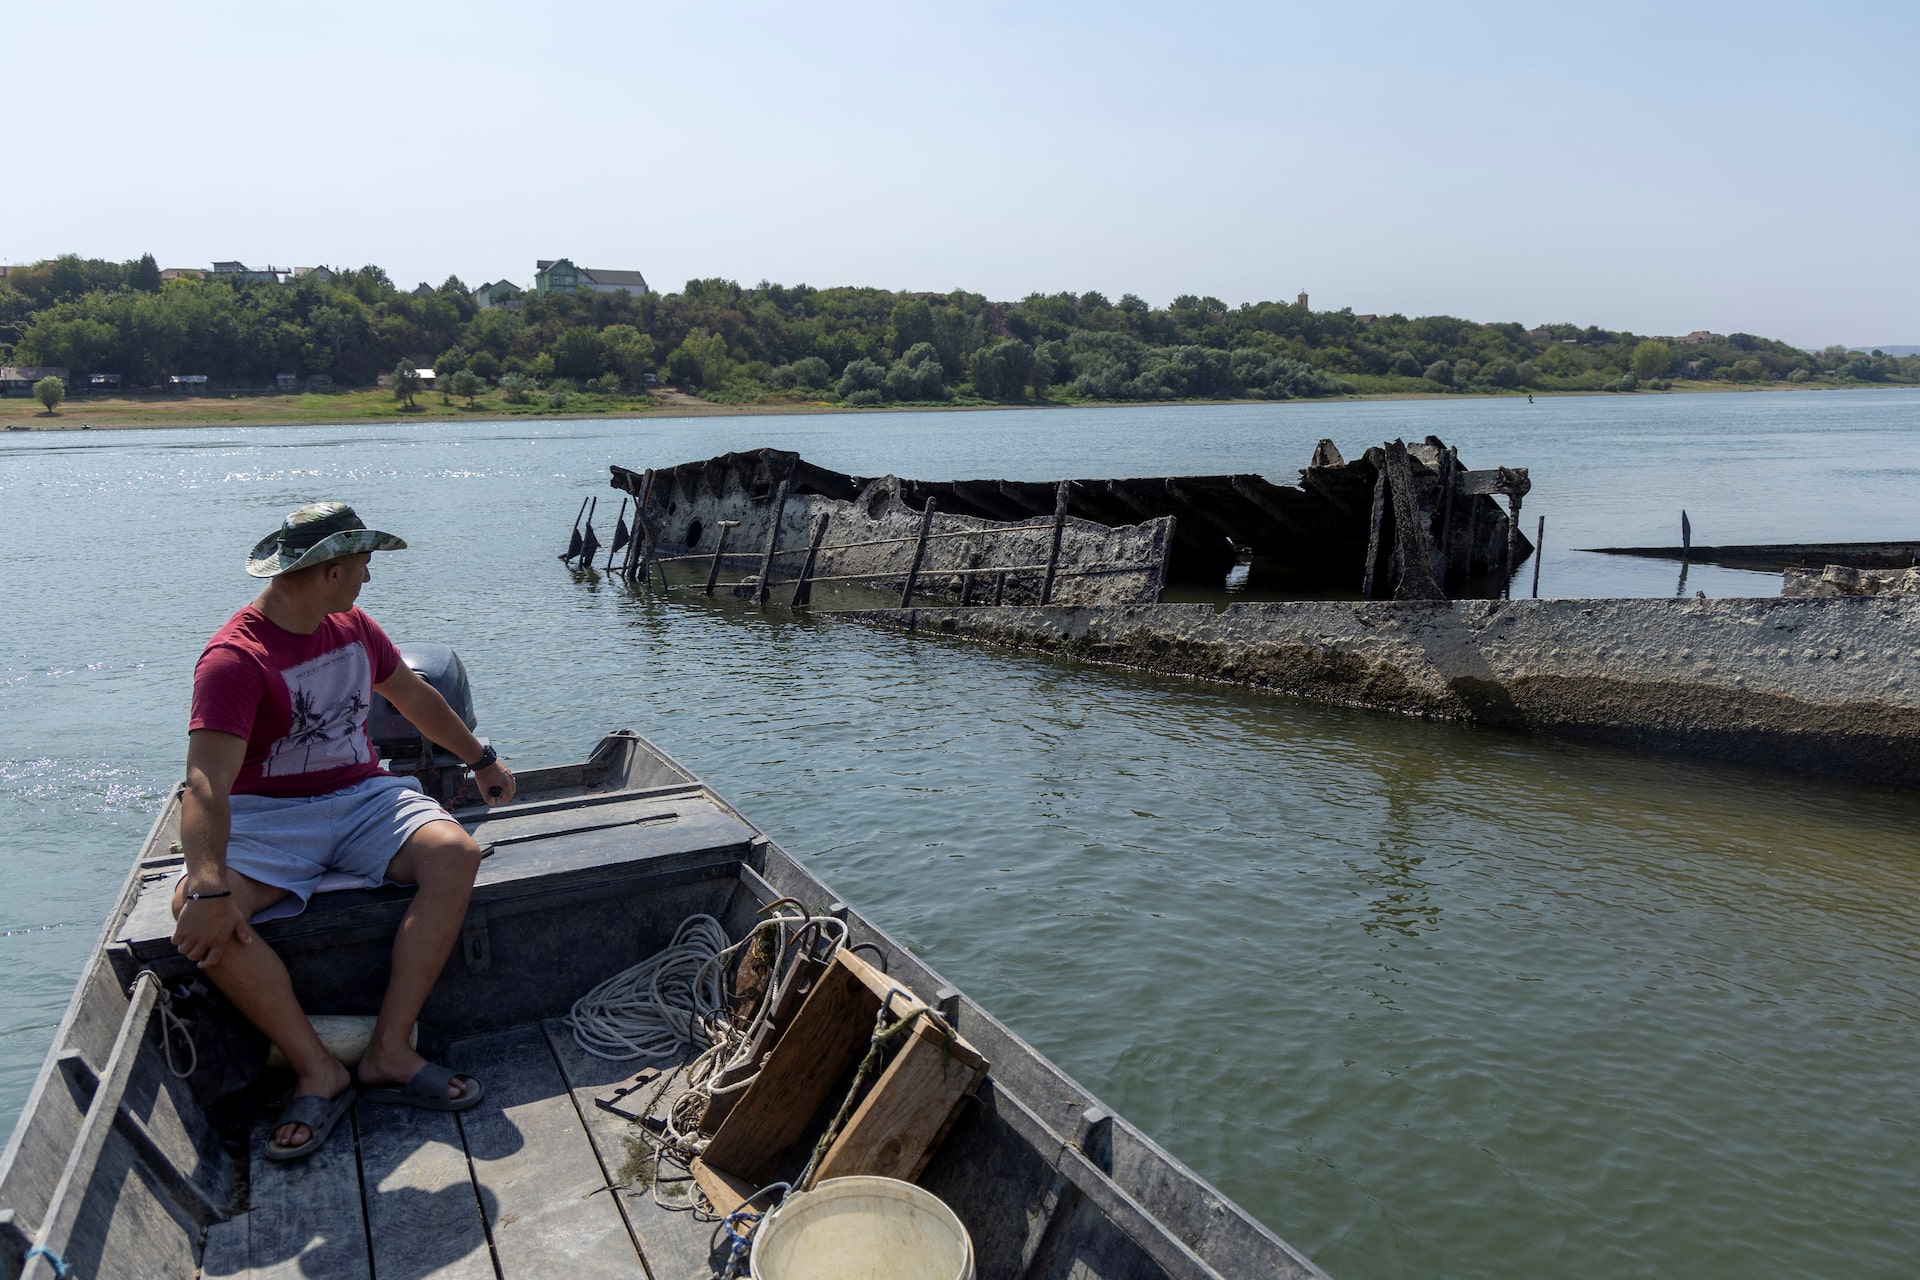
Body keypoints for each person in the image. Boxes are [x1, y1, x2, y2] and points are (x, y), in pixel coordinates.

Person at [171, 502, 518, 1160]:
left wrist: (480, 759)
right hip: (267, 818)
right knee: (196, 911)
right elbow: (207, 782)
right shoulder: (233, 659)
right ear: (329, 571)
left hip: (361, 796)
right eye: (362, 565)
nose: (367, 577)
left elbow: (415, 700)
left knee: (454, 854)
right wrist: (210, 884)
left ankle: (390, 1050)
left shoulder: (353, 627)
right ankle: (317, 1068)